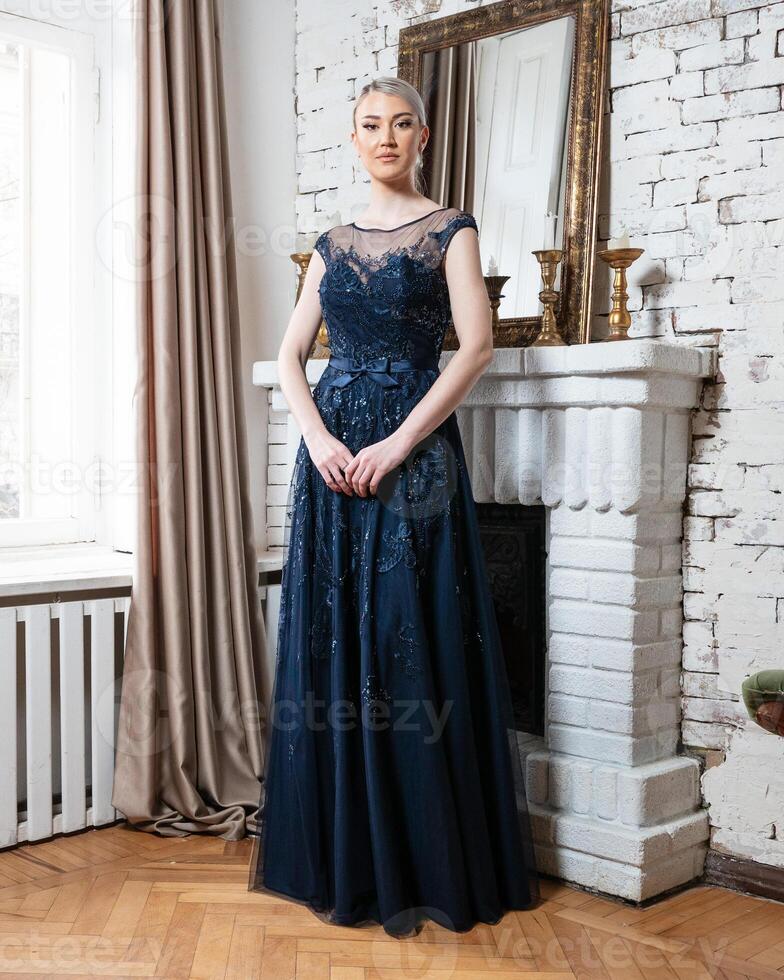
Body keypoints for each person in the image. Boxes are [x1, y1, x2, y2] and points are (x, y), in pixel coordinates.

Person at [247, 75, 539, 939]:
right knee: (337, 637)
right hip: (333, 458)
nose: (385, 137)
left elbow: (476, 346)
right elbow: (291, 354)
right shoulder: (331, 244)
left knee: (409, 631)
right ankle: (345, 852)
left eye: (401, 123)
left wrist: (397, 444)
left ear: (423, 135)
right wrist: (322, 441)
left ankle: (421, 857)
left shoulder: (451, 227)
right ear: (354, 138)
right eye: (370, 125)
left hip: (411, 458)